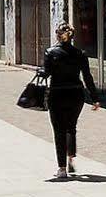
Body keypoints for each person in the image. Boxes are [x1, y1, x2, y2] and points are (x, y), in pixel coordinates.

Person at [42, 22, 101, 179]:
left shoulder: (50, 52)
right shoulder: (80, 53)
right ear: (72, 36)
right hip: (76, 94)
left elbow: (46, 74)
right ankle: (70, 157)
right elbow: (87, 77)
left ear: (57, 35)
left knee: (59, 130)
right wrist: (95, 98)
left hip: (57, 94)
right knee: (71, 126)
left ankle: (62, 169)